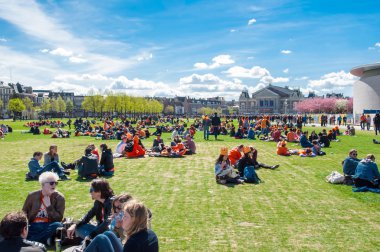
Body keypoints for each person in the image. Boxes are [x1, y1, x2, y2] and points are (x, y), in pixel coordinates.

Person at [83, 200, 159, 252]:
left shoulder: (133, 242)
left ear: (135, 220)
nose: (122, 219)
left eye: (125, 216)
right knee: (109, 234)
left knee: (101, 239)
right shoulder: (150, 233)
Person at [22, 172, 65, 245]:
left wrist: (49, 206)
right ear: (43, 184)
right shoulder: (32, 195)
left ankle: (29, 241)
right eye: (51, 183)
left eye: (56, 183)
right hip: (32, 225)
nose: (54, 185)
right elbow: (24, 212)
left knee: (58, 225)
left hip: (48, 225)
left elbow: (58, 219)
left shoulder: (59, 197)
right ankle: (44, 240)